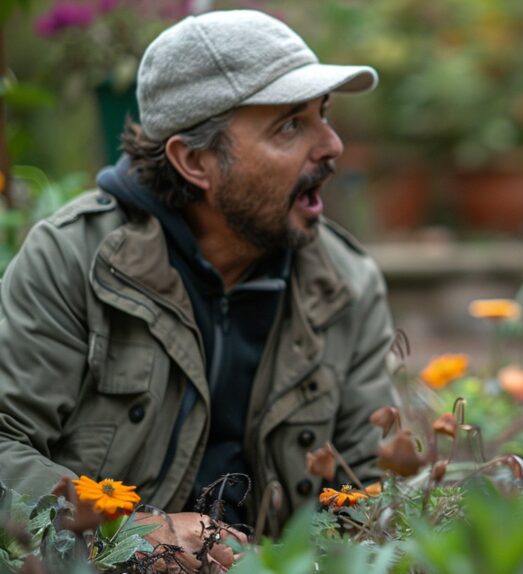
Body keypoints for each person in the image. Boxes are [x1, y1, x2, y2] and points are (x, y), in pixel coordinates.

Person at [0, 9, 396, 570]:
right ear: (194, 161)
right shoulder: (72, 260)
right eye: (290, 125)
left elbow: (373, 492)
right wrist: (133, 532)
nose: (331, 144)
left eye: (324, 115)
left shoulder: (345, 283)